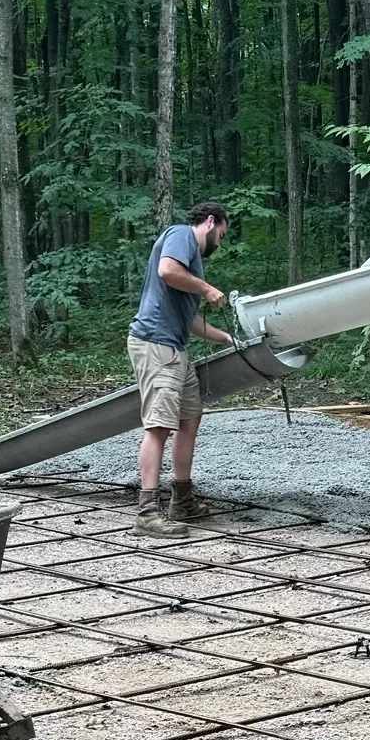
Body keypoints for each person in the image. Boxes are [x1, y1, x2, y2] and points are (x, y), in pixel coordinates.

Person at [128, 202, 233, 523]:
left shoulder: (193, 265)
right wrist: (207, 288)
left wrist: (228, 339)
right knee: (159, 425)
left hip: (175, 347)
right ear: (211, 222)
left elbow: (192, 322)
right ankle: (147, 512)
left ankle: (182, 501)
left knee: (189, 419)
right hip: (155, 343)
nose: (221, 241)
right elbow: (166, 271)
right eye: (222, 234)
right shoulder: (181, 236)